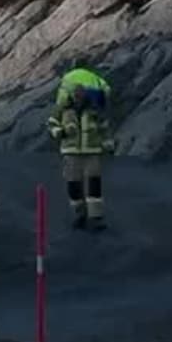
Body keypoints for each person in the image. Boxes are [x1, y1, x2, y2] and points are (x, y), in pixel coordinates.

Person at [47, 66, 114, 231]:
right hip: (71, 152)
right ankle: (80, 213)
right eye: (76, 91)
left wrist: (108, 144)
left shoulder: (94, 110)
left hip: (92, 150)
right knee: (73, 185)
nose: (79, 94)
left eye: (82, 91)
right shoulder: (62, 110)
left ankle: (96, 217)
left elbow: (104, 127)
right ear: (71, 93)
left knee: (94, 185)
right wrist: (61, 132)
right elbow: (51, 125)